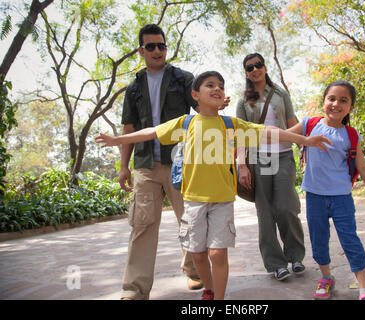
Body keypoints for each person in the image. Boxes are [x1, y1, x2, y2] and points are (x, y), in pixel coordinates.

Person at [96, 71, 332, 300]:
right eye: (210, 85)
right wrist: (118, 140)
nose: (217, 88)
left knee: (218, 254)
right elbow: (152, 132)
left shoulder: (231, 125)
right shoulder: (186, 123)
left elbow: (270, 132)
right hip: (192, 201)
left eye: (220, 85)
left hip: (222, 201)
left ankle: (217, 298)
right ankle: (208, 288)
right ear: (195, 95)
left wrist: (305, 140)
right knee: (198, 256)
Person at [117, 24, 207, 300]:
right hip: (145, 165)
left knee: (189, 221)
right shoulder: (132, 89)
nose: (158, 50)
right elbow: (128, 129)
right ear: (141, 50)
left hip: (181, 163)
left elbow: (203, 110)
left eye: (161, 45)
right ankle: (134, 290)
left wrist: (216, 101)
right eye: (151, 46)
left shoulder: (184, 79)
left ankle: (194, 271)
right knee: (142, 226)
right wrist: (123, 166)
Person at [288, 80, 365, 300]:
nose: (336, 104)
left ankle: (364, 289)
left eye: (343, 100)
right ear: (324, 101)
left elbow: (362, 167)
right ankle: (326, 278)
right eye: (331, 98)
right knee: (319, 240)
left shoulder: (351, 135)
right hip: (315, 196)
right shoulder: (309, 124)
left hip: (342, 198)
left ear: (351, 108)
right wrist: (304, 140)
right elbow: (280, 135)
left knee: (350, 240)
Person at [236, 53, 307, 281]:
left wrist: (305, 146)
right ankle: (275, 263)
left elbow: (292, 123)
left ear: (265, 67)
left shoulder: (280, 94)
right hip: (259, 158)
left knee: (287, 208)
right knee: (265, 213)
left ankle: (295, 256)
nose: (255, 70)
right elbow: (240, 135)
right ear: (246, 73)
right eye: (249, 68)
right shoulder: (243, 101)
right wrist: (242, 165)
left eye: (258, 65)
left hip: (284, 154)